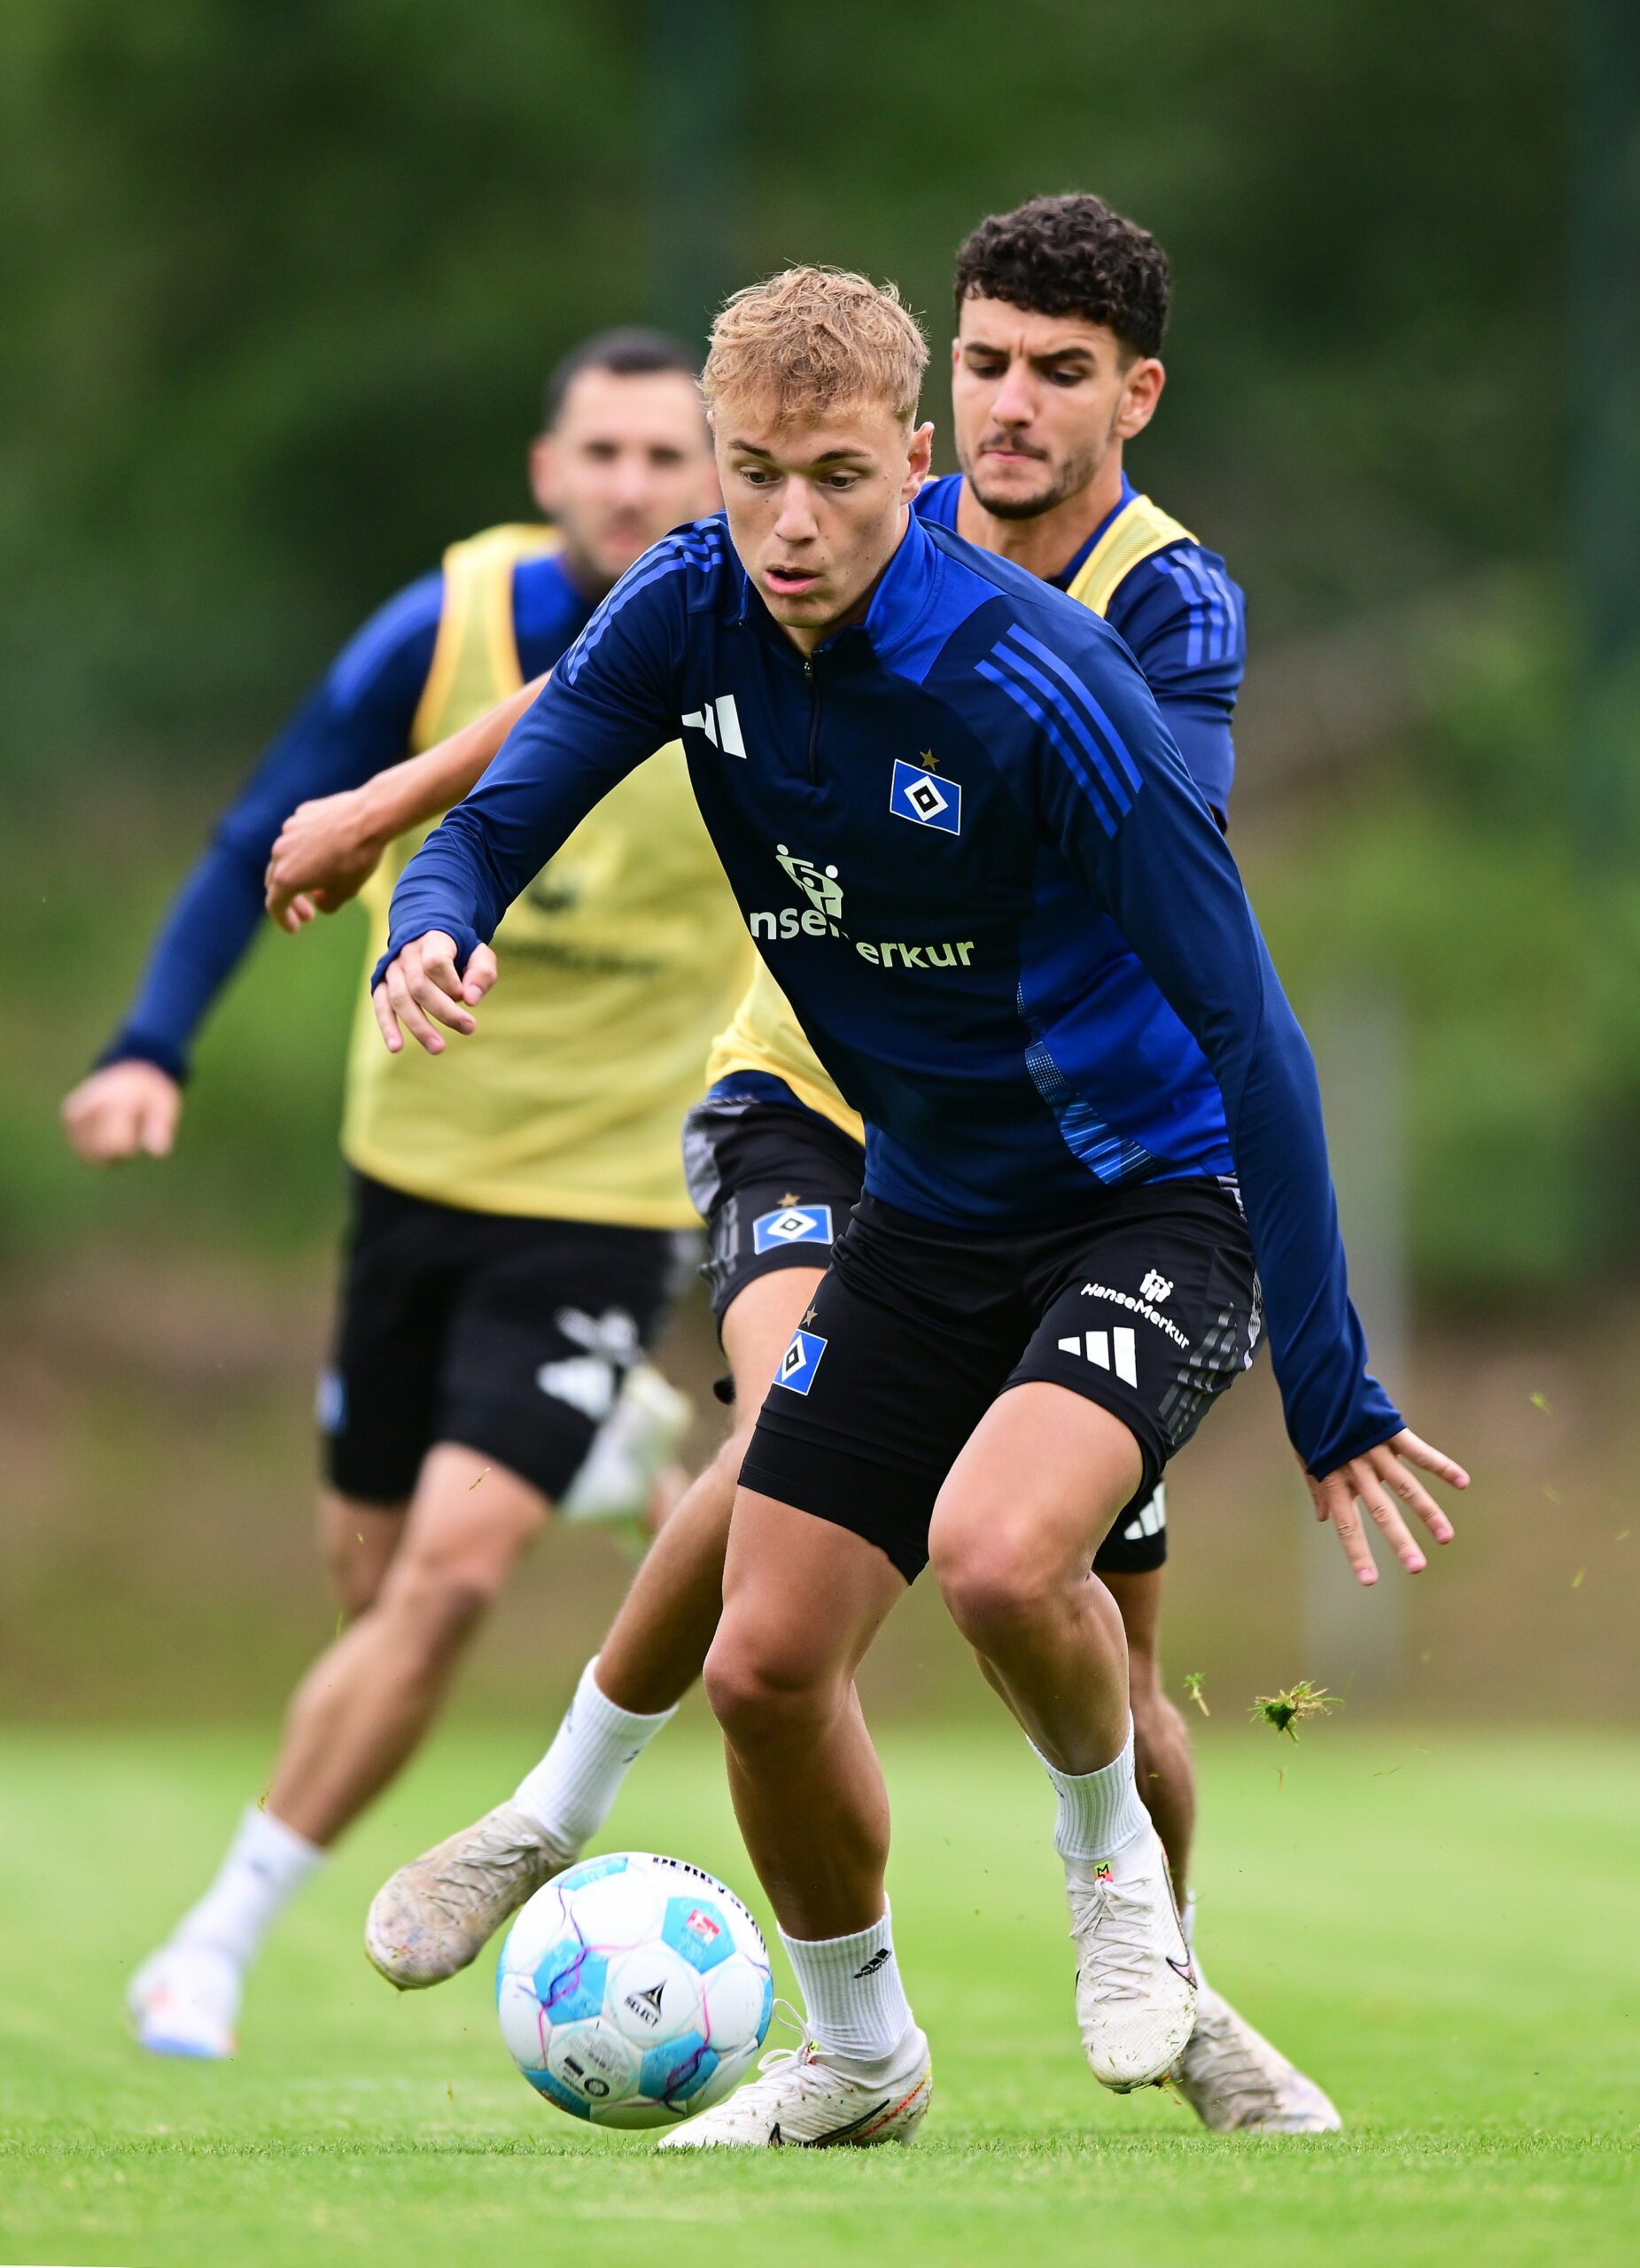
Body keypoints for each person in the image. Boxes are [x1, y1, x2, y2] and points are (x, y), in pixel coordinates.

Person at [369, 262, 1468, 2150]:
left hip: (1144, 1203)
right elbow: (493, 816)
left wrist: (1327, 1372)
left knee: (994, 1555)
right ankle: (860, 2056)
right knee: (763, 1662)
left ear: (917, 459)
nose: (789, 525)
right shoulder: (689, 604)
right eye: (751, 475)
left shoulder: (1041, 674)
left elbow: (1252, 1032)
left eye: (836, 479)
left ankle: (1115, 1891)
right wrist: (430, 920)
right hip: (923, 1209)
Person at [61, 329, 746, 2059]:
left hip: (604, 1197)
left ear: (710, 478)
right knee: (369, 1584)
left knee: (448, 1579)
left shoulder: (749, 652)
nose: (633, 486)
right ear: (547, 471)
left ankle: (209, 1939)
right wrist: (153, 1042)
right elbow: (263, 832)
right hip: (407, 1178)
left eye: (669, 459)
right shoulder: (433, 629)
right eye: (604, 453)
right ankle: (600, 1446)